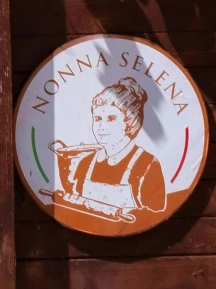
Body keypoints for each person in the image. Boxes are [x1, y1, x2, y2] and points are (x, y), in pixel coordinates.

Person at [51, 77, 169, 228]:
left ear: (130, 122)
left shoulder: (147, 165)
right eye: (97, 118)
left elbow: (156, 217)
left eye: (111, 119)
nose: (102, 127)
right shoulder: (85, 163)